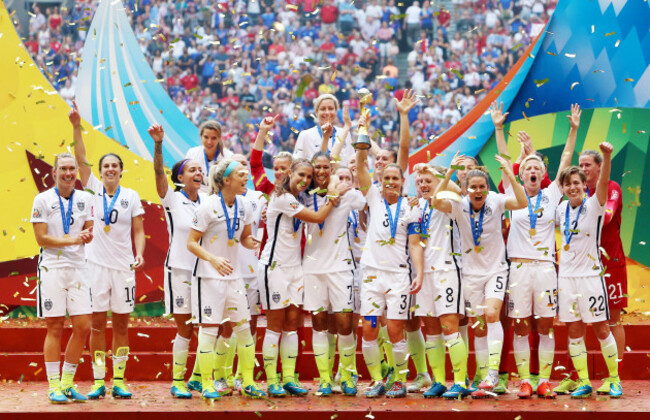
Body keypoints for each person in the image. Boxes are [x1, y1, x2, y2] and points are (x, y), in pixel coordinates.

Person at [492, 102, 581, 398]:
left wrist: (573, 130)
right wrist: (499, 128)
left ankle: (543, 379)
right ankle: (524, 382)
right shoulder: (510, 192)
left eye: (537, 168)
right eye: (527, 168)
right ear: (521, 174)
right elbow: (504, 159)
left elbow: (567, 156)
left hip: (544, 268)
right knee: (519, 327)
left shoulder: (551, 193)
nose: (532, 171)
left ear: (542, 173)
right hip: (518, 268)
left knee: (544, 327)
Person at [433, 152, 527, 398]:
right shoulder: (458, 205)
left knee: (492, 314)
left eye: (482, 187)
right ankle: (484, 377)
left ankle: (493, 374)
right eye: (473, 187)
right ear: (465, 189)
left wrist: (509, 173)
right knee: (479, 328)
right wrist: (449, 172)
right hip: (470, 274)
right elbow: (436, 202)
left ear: (487, 188)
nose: (478, 191)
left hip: (496, 269)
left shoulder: (495, 200)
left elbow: (522, 202)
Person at [69, 103, 145, 399]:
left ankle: (121, 379)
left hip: (124, 269)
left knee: (122, 325)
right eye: (106, 167)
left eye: (115, 165)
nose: (110, 169)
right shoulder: (94, 190)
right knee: (98, 326)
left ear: (121, 171)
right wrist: (76, 125)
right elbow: (80, 158)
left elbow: (138, 230)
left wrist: (139, 254)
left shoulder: (131, 196)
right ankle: (100, 379)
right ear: (100, 173)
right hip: (96, 267)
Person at [258, 158, 346, 397]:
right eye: (301, 175)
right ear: (289, 172)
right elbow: (318, 218)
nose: (305, 180)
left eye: (308, 177)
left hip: (295, 268)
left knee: (291, 326)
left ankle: (288, 378)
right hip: (274, 267)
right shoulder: (283, 198)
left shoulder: (297, 198)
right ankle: (272, 380)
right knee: (275, 326)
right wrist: (332, 199)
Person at [187, 158, 266, 400]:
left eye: (246, 174)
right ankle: (207, 383)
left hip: (234, 277)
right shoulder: (207, 206)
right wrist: (212, 259)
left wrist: (249, 242)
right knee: (209, 330)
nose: (246, 178)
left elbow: (243, 236)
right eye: (241, 174)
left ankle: (249, 382)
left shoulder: (245, 205)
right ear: (226, 180)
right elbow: (191, 243)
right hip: (209, 278)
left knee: (243, 329)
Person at [355, 143, 424, 399]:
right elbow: (360, 165)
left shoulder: (411, 206)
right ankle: (377, 380)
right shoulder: (372, 196)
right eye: (387, 178)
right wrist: (362, 134)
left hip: (398, 277)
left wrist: (420, 273)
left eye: (395, 178)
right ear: (380, 180)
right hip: (372, 275)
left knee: (395, 330)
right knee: (369, 329)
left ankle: (399, 380)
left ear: (403, 181)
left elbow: (415, 244)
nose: (391, 182)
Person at [555, 142, 622, 399]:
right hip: (567, 278)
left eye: (577, 183)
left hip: (590, 278)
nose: (572, 187)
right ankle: (583, 380)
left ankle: (614, 379)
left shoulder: (595, 204)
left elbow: (604, 183)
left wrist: (606, 158)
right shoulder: (561, 209)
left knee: (601, 328)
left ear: (585, 185)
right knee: (573, 331)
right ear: (563, 188)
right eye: (568, 183)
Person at [148, 124, 206, 399]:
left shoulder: (208, 201)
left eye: (200, 170)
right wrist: (158, 144)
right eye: (192, 170)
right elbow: (159, 173)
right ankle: (177, 380)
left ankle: (197, 376)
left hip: (204, 271)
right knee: (186, 327)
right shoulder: (171, 198)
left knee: (208, 324)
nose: (198, 173)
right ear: (180, 177)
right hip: (180, 271)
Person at [301, 152, 366, 396]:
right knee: (319, 326)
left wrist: (361, 159)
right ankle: (325, 380)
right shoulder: (303, 197)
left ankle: (347, 376)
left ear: (332, 169)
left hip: (341, 268)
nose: (320, 171)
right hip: (313, 269)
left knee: (344, 325)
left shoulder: (347, 195)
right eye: (316, 167)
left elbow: (369, 197)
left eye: (325, 167)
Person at [31, 153, 94, 404]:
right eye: (63, 169)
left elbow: (88, 229)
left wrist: (86, 237)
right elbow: (41, 238)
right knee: (55, 326)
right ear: (55, 172)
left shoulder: (86, 198)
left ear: (77, 172)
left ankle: (68, 383)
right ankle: (53, 386)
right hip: (52, 267)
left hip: (79, 267)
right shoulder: (42, 199)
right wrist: (74, 239)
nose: (68, 173)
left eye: (72, 169)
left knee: (83, 327)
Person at [413, 163, 470, 399]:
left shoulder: (450, 203)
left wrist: (440, 173)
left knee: (449, 327)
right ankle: (438, 381)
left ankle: (460, 381)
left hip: (447, 269)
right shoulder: (416, 206)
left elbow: (455, 188)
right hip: (425, 274)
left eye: (429, 181)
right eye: (420, 182)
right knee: (432, 329)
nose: (424, 185)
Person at [578, 148, 627, 397]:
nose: (584, 169)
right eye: (581, 165)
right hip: (585, 266)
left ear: (599, 166)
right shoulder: (578, 191)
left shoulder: (613, 186)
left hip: (612, 263)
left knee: (613, 319)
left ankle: (614, 376)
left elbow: (605, 217)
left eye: (588, 165)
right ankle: (581, 378)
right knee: (581, 321)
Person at [293, 94, 354, 164]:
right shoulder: (305, 135)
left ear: (336, 111)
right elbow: (297, 165)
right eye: (323, 109)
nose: (327, 112)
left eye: (331, 108)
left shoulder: (345, 134)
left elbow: (351, 162)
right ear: (316, 112)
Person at [185, 120, 234, 192]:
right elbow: (185, 178)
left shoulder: (229, 157)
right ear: (201, 136)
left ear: (219, 138)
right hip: (195, 196)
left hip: (219, 197)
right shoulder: (192, 153)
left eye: (213, 138)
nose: (209, 142)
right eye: (206, 137)